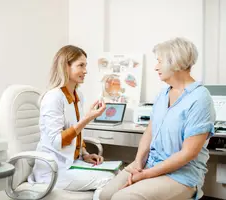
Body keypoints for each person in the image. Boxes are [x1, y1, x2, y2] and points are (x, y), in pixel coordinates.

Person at [99, 37, 216, 200]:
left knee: (123, 198)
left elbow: (189, 153)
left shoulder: (200, 99)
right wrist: (139, 162)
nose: (155, 67)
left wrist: (146, 175)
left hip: (181, 175)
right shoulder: (163, 94)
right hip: (149, 164)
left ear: (174, 61)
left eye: (159, 62)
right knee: (105, 195)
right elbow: (150, 131)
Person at [31, 45, 115, 200]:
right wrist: (87, 118)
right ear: (65, 67)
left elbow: (75, 134)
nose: (85, 70)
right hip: (53, 170)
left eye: (85, 65)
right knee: (108, 180)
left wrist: (85, 154)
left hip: (71, 164)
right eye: (80, 65)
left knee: (117, 174)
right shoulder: (53, 97)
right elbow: (57, 141)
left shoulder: (78, 96)